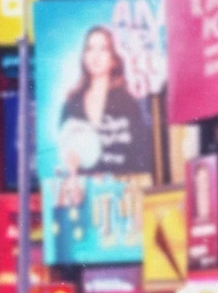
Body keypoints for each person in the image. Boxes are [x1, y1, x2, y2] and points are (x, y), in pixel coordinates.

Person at [57, 26, 153, 179]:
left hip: (123, 187)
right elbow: (65, 156)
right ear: (84, 56)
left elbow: (141, 155)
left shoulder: (128, 102)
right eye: (90, 49)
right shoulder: (71, 104)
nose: (95, 56)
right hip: (83, 190)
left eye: (103, 49)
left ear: (114, 59)